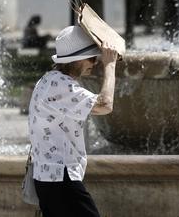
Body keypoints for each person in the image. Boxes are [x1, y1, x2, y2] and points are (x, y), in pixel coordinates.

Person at [28, 25, 117, 217]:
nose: (94, 62)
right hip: (61, 177)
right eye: (91, 57)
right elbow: (105, 104)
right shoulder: (61, 86)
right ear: (75, 59)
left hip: (49, 176)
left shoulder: (47, 80)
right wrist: (110, 65)